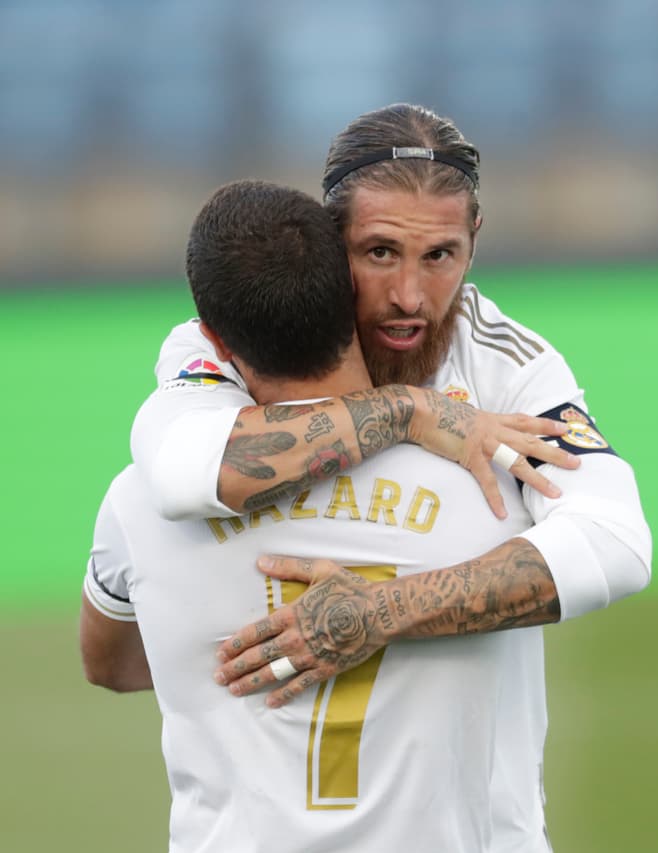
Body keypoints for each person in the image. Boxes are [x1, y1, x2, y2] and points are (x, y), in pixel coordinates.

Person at [126, 105, 652, 852]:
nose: (409, 295)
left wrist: (380, 613)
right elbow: (184, 470)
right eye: (379, 253)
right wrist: (406, 409)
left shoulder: (510, 365)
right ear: (328, 243)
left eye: (440, 255)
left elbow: (616, 543)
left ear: (475, 243)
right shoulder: (234, 337)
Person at [81, 180, 548, 851]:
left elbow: (110, 663)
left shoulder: (136, 504)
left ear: (211, 336)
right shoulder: (490, 496)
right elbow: (586, 566)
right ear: (350, 293)